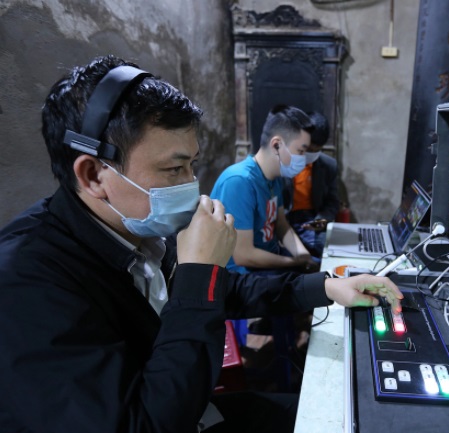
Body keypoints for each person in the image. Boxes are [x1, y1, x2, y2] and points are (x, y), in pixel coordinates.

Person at [0, 55, 403, 433]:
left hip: (192, 403)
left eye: (191, 165)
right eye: (174, 168)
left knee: (339, 416)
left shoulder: (137, 230)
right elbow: (146, 422)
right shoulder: (24, 283)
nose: (191, 187)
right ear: (93, 175)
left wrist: (328, 287)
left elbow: (230, 290)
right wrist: (200, 273)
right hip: (169, 413)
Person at [210, 105, 318, 275]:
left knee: (322, 270)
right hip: (242, 275)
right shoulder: (239, 182)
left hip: (269, 262)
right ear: (276, 145)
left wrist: (303, 256)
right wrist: (293, 263)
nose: (303, 159)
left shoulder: (275, 178)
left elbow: (281, 225)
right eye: (300, 151)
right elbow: (244, 255)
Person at [283, 111, 339, 258]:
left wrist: (321, 220)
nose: (311, 154)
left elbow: (332, 202)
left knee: (328, 253)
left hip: (311, 219)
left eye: (317, 150)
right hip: (283, 219)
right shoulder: (282, 162)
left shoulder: (328, 166)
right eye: (308, 149)